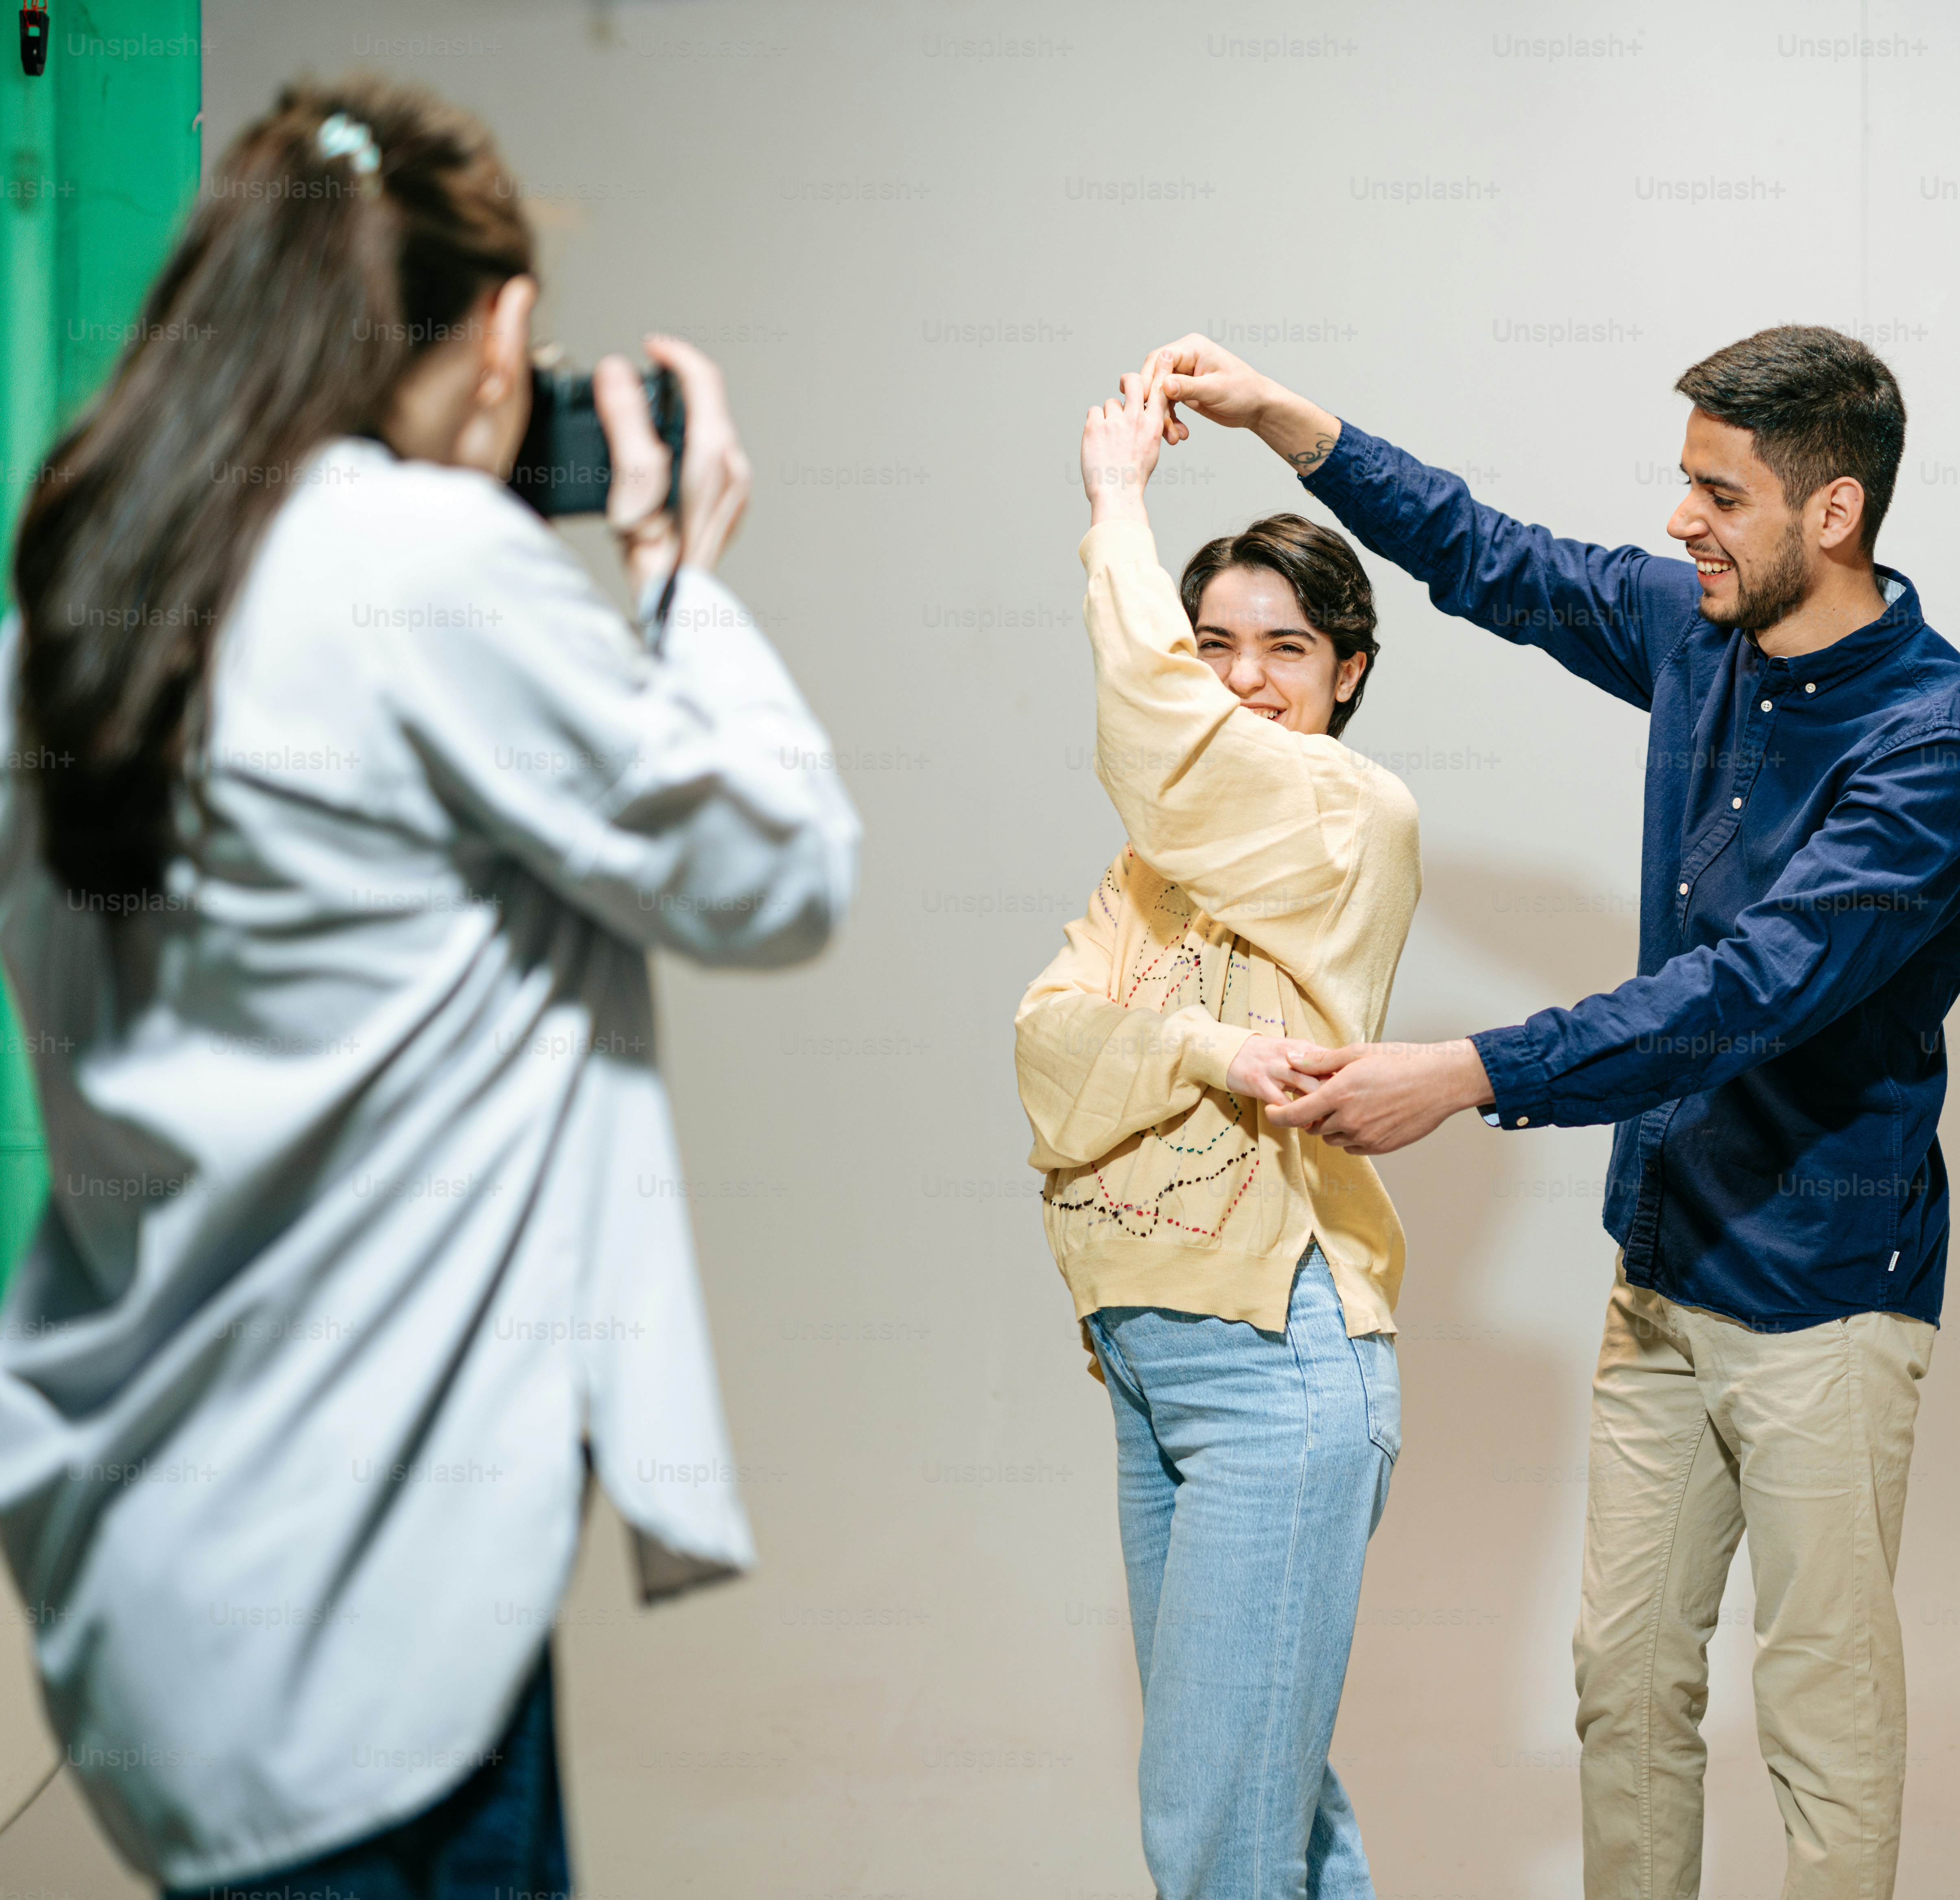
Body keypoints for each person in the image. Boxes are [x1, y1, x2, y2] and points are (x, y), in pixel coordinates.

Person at [0, 80, 858, 1897]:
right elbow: (776, 870)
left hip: (147, 1585)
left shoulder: (69, 595)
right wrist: (677, 576)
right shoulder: (413, 564)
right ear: (501, 332)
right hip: (375, 1602)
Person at [1145, 326, 1960, 1900]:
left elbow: (1745, 991)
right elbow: (1494, 557)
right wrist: (1287, 422)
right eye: (1682, 481)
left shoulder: (1928, 744)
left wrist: (1468, 1070)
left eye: (1716, 491)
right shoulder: (1700, 634)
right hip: (1662, 1259)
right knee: (1624, 1684)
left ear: (1832, 513)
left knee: (1820, 1706)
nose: (1682, 520)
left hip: (1824, 1298)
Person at [1013, 357, 1421, 1899]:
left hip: (1277, 1362)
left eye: (1287, 649)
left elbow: (1158, 737)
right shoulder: (1156, 860)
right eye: (1213, 648)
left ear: (1351, 671)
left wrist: (1117, 502)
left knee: (1214, 1837)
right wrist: (1199, 1042)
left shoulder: (1340, 813)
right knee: (1273, 1817)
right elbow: (1049, 1053)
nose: (1247, 680)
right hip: (1146, 1352)